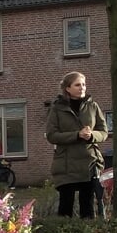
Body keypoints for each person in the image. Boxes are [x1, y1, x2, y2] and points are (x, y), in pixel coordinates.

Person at [45, 71, 108, 218]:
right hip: (66, 163)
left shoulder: (93, 106)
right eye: (78, 85)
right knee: (66, 205)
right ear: (68, 88)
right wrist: (76, 135)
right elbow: (51, 135)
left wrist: (92, 135)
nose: (82, 88)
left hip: (89, 162)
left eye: (84, 84)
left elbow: (104, 132)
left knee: (88, 205)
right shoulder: (57, 108)